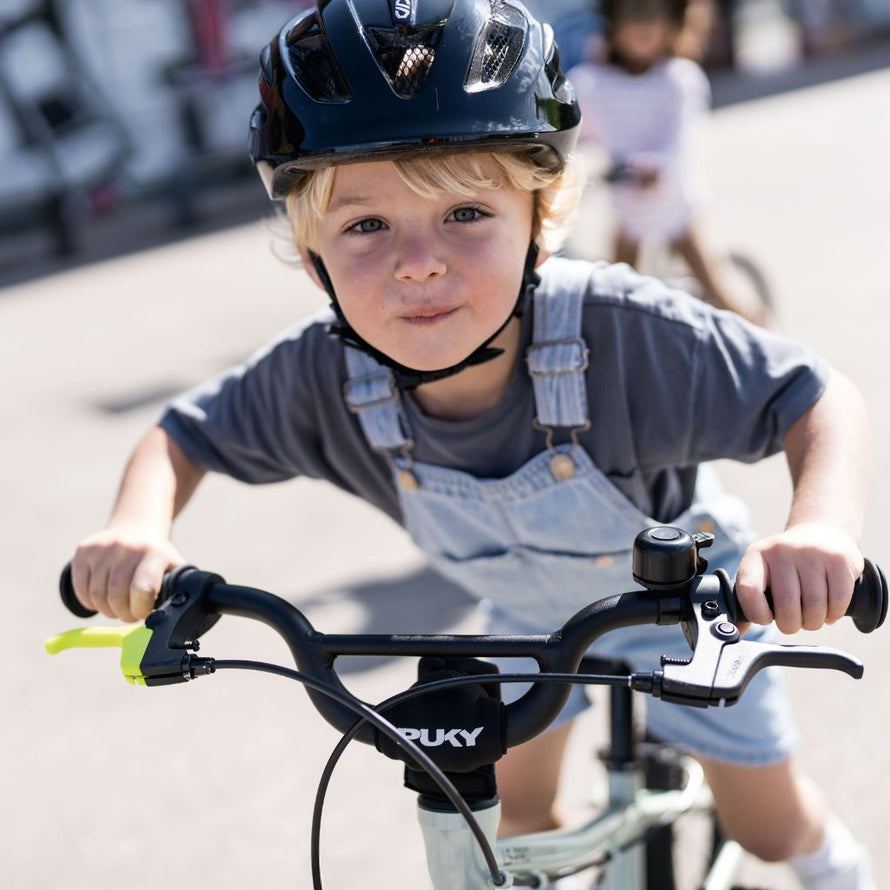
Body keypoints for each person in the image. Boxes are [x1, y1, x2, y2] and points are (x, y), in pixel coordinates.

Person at [68, 2, 873, 888]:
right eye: (366, 226)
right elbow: (183, 434)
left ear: (541, 217)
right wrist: (138, 528)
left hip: (690, 611)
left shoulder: (623, 334)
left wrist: (819, 530)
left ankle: (841, 869)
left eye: (463, 212)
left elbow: (814, 395)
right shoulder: (325, 380)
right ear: (314, 261)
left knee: (767, 825)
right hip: (530, 622)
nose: (419, 264)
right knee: (508, 821)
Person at [568, 0, 770, 325]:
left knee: (719, 290)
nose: (643, 28)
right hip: (628, 210)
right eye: (633, 15)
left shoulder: (679, 79)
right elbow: (571, 128)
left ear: (673, 23)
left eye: (654, 17)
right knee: (616, 302)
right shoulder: (592, 82)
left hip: (676, 207)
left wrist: (654, 167)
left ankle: (769, 341)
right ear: (613, 22)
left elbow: (682, 139)